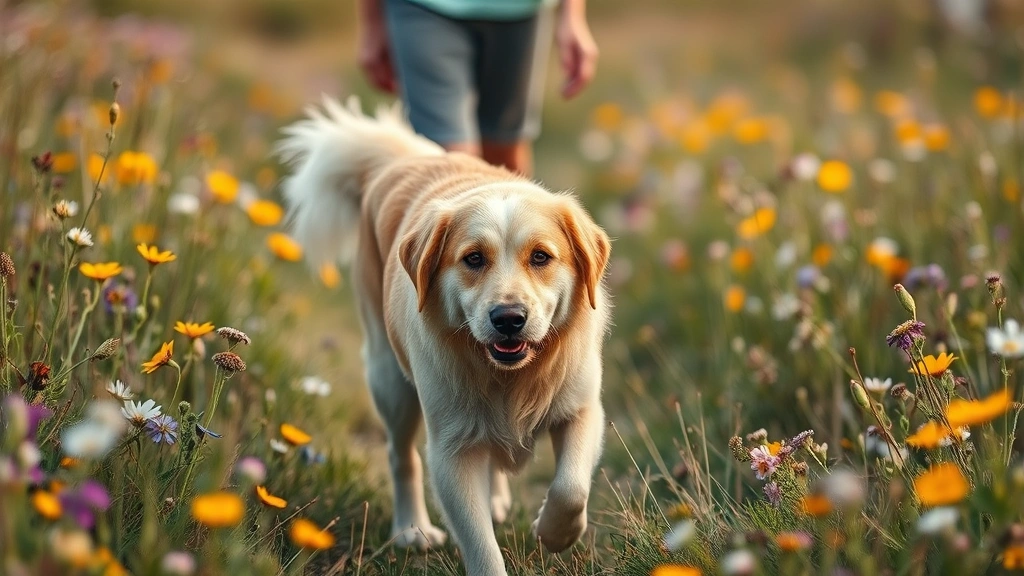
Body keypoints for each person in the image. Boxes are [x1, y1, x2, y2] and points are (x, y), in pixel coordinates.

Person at [356, 0, 598, 176]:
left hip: (520, 11)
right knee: (450, 164)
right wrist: (372, 20)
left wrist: (573, 13)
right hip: (424, 8)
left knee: (505, 159)